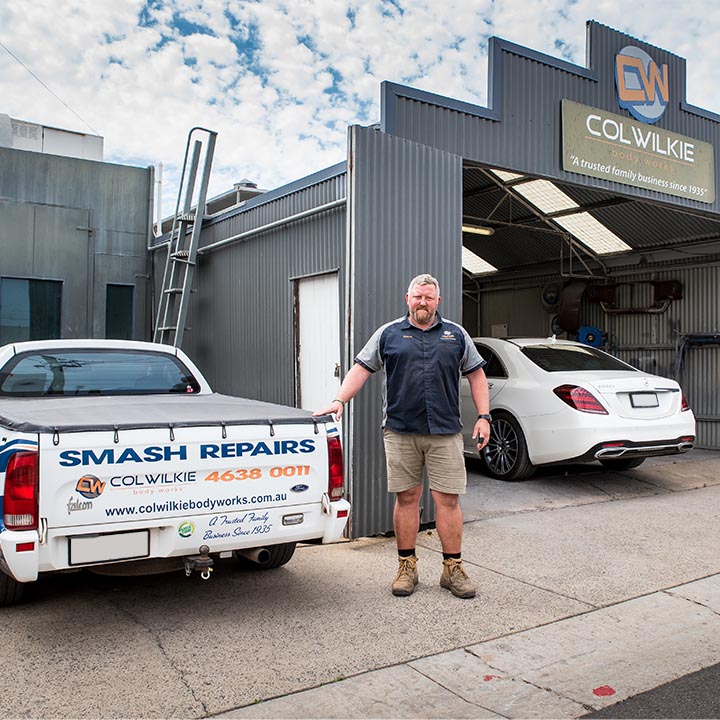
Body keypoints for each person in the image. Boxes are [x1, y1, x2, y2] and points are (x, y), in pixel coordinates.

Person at [314, 274, 490, 599]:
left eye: (429, 297)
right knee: (406, 499)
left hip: (445, 432)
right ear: (406, 298)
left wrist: (484, 416)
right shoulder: (388, 334)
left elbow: (477, 375)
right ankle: (406, 567)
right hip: (400, 432)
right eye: (417, 296)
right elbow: (361, 368)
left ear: (439, 301)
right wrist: (339, 400)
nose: (423, 302)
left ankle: (453, 569)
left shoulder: (456, 334)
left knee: (448, 500)